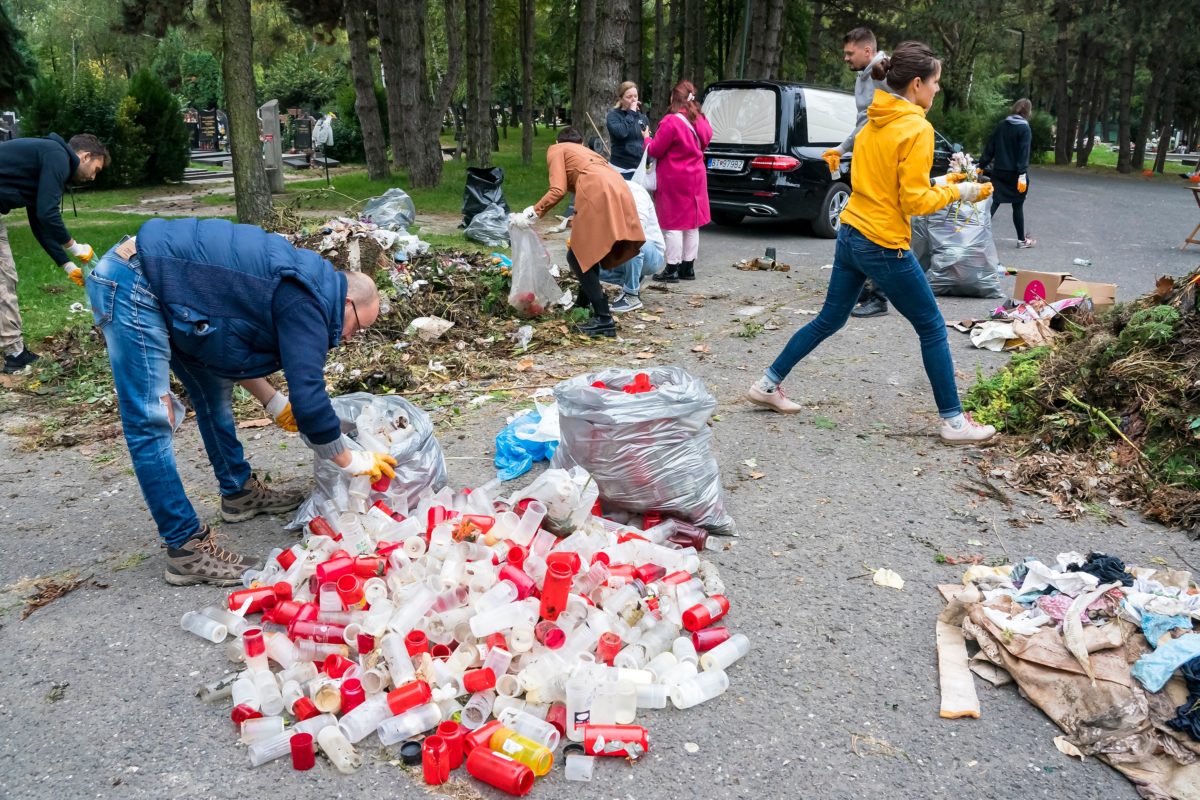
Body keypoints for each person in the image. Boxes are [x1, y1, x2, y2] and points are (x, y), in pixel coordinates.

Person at [84, 218, 396, 586]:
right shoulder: (309, 300)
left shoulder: (307, 285)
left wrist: (273, 401)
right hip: (136, 280)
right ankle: (186, 549)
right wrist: (351, 459)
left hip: (170, 281)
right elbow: (310, 399)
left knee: (213, 394)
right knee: (150, 421)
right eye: (357, 326)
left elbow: (225, 346)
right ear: (347, 302)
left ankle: (238, 493)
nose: (348, 338)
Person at [747, 41, 998, 445]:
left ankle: (767, 383)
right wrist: (962, 194)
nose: (937, 91)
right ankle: (954, 422)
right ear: (917, 84)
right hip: (883, 242)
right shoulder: (917, 127)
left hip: (851, 232)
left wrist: (948, 181)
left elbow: (889, 186)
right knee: (933, 326)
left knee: (829, 318)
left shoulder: (873, 120)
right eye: (935, 83)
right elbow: (913, 201)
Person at [510, 127, 645, 338]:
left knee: (576, 255)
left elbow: (557, 189)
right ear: (581, 143)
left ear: (556, 141)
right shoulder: (587, 152)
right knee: (590, 253)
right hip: (619, 187)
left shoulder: (556, 149)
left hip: (598, 189)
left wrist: (531, 214)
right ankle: (584, 305)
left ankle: (604, 319)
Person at [0, 133, 109, 373]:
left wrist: (68, 266)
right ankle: (15, 355)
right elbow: (48, 213)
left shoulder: (46, 156)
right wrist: (76, 248)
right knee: (3, 280)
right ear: (85, 155)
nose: (93, 176)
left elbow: (40, 221)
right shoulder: (57, 156)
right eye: (96, 169)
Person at [823, 27, 891, 319]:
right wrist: (842, 148)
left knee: (878, 228)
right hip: (866, 158)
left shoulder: (885, 74)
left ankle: (880, 296)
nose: (846, 58)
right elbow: (864, 122)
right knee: (858, 223)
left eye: (850, 53)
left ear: (867, 51)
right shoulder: (863, 77)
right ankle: (863, 288)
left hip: (883, 162)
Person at [647, 81, 713, 283]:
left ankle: (672, 268)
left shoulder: (671, 121)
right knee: (692, 224)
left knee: (673, 224)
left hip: (674, 178)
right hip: (696, 177)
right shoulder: (700, 119)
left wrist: (646, 140)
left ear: (674, 98)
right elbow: (708, 139)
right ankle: (688, 267)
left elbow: (655, 150)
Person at [599, 179, 665, 313]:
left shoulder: (636, 192)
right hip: (620, 250)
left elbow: (637, 230)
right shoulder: (601, 192)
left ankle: (631, 296)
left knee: (632, 241)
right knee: (580, 258)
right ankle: (631, 277)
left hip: (651, 254)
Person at [980, 99, 1035, 248]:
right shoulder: (1024, 128)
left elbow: (990, 146)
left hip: (999, 171)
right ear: (1027, 112)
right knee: (1017, 205)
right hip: (1016, 175)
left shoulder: (1002, 125)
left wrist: (981, 165)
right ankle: (1021, 241)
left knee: (994, 202)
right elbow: (1024, 152)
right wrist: (1022, 174)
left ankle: (977, 237)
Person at [607, 81, 651, 180]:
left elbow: (647, 140)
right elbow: (621, 133)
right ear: (621, 99)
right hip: (621, 171)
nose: (634, 100)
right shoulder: (613, 116)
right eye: (629, 97)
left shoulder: (643, 118)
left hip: (640, 170)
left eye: (635, 96)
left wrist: (649, 161)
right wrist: (631, 112)